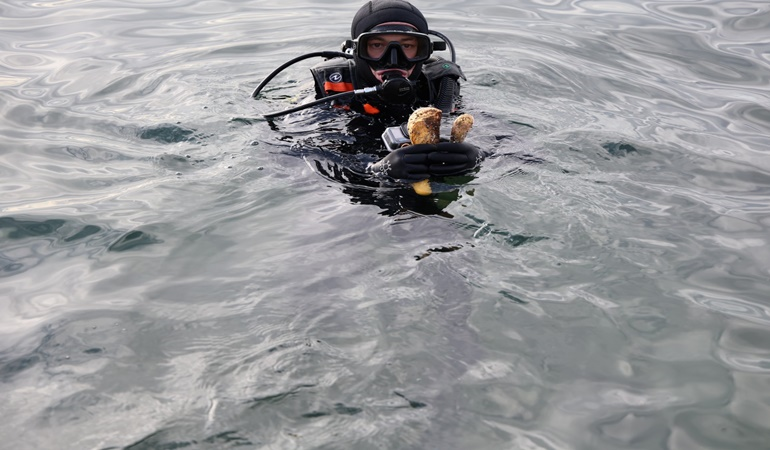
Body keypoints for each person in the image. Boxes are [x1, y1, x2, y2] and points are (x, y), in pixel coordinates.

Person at [307, 0, 482, 182]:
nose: (393, 60)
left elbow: (497, 138)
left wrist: (478, 155)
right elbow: (299, 152)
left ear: (423, 51)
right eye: (377, 45)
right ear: (358, 50)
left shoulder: (440, 85)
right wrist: (373, 170)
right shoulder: (334, 88)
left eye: (407, 46)